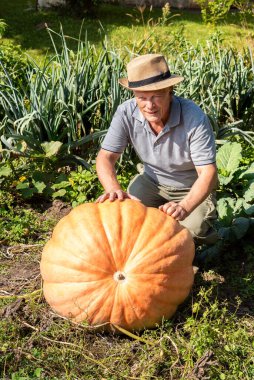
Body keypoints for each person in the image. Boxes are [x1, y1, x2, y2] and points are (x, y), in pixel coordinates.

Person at [95, 53, 218, 245]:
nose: (149, 105)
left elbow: (208, 173)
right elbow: (105, 157)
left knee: (186, 234)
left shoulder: (194, 117)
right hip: (151, 182)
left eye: (156, 96)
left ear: (170, 90)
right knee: (124, 221)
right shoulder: (126, 112)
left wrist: (184, 207)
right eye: (142, 97)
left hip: (190, 188)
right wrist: (113, 189)